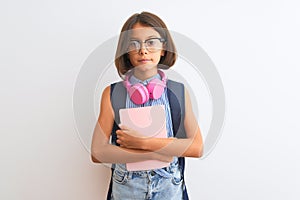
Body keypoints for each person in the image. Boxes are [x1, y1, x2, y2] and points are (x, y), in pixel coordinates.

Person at [91, 11, 203, 200]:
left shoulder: (178, 92)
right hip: (127, 187)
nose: (143, 50)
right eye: (134, 43)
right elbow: (98, 152)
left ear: (163, 48)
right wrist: (156, 154)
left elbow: (196, 147)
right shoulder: (112, 94)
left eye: (151, 42)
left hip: (169, 186)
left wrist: (143, 143)